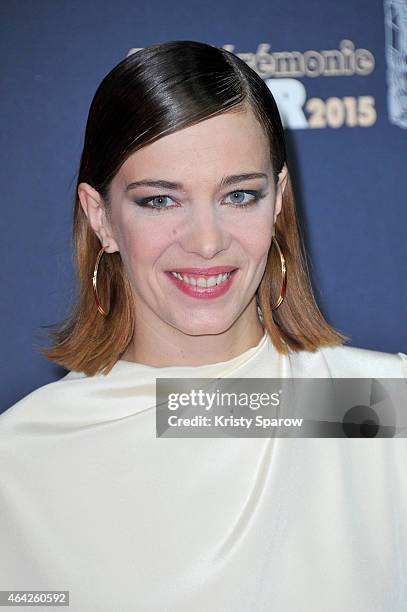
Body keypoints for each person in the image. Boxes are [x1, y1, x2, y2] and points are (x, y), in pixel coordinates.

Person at [0, 40, 406, 612]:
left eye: (239, 195)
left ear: (280, 202)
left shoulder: (383, 409)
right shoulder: (22, 457)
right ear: (101, 218)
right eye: (160, 201)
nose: (208, 241)